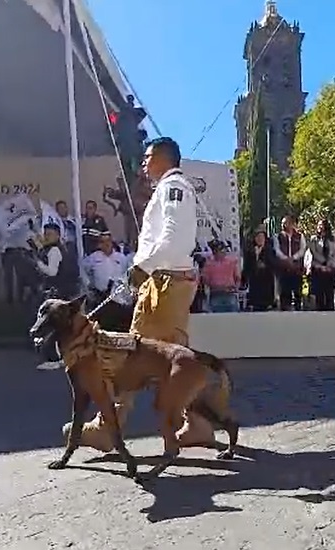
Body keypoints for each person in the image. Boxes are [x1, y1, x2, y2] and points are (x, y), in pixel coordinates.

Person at [68, 136, 211, 452]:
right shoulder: (174, 189)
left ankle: (109, 427)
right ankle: (199, 423)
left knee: (129, 356)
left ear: (162, 157)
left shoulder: (173, 188)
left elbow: (172, 239)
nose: (144, 164)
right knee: (175, 358)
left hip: (163, 284)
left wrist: (142, 266)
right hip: (168, 283)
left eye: (147, 157)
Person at [82, 231, 131, 331]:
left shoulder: (121, 258)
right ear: (99, 244)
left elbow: (127, 273)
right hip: (100, 296)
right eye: (103, 242)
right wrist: (88, 283)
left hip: (117, 297)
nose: (106, 244)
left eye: (108, 241)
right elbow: (82, 269)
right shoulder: (94, 257)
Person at [274, 215, 306, 310]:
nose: (283, 225)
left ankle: (298, 309)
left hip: (296, 269)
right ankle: (285, 311)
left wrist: (294, 258)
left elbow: (302, 249)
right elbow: (277, 250)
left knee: (298, 292)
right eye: (282, 223)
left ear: (291, 224)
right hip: (283, 269)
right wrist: (286, 258)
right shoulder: (278, 236)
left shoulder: (300, 236)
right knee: (284, 293)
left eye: (285, 223)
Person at [306, 219, 335, 311]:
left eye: (321, 225)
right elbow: (313, 252)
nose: (319, 227)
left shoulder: (332, 239)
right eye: (318, 225)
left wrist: (329, 265)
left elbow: (334, 253)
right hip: (318, 269)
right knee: (319, 295)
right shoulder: (314, 239)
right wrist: (323, 263)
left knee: (329, 294)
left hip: (330, 270)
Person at [243, 227, 277, 311]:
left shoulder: (269, 250)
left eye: (262, 237)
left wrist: (264, 264)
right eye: (258, 237)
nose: (260, 239)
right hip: (254, 281)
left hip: (266, 281)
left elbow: (274, 263)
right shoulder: (250, 251)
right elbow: (247, 266)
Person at [201, 240, 241, 313]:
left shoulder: (232, 262)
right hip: (216, 293)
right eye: (218, 250)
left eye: (222, 250)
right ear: (214, 252)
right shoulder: (209, 264)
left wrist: (236, 288)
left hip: (229, 293)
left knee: (232, 317)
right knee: (217, 318)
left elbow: (238, 277)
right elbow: (205, 279)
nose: (221, 252)